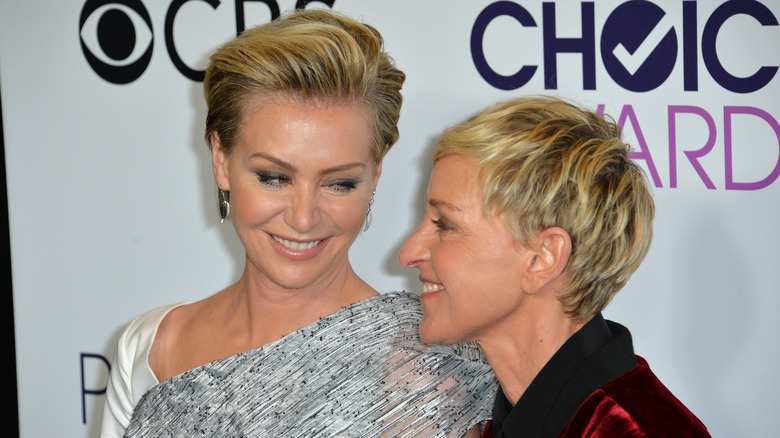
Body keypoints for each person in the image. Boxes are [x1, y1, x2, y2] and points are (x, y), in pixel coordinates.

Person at [101, 9, 495, 437]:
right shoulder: (151, 345)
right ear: (220, 160)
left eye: (339, 183)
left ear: (375, 174)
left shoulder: (421, 370)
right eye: (274, 178)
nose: (303, 217)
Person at [399, 96, 710, 438]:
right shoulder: (492, 414)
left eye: (445, 225)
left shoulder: (629, 430)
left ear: (542, 258)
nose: (409, 252)